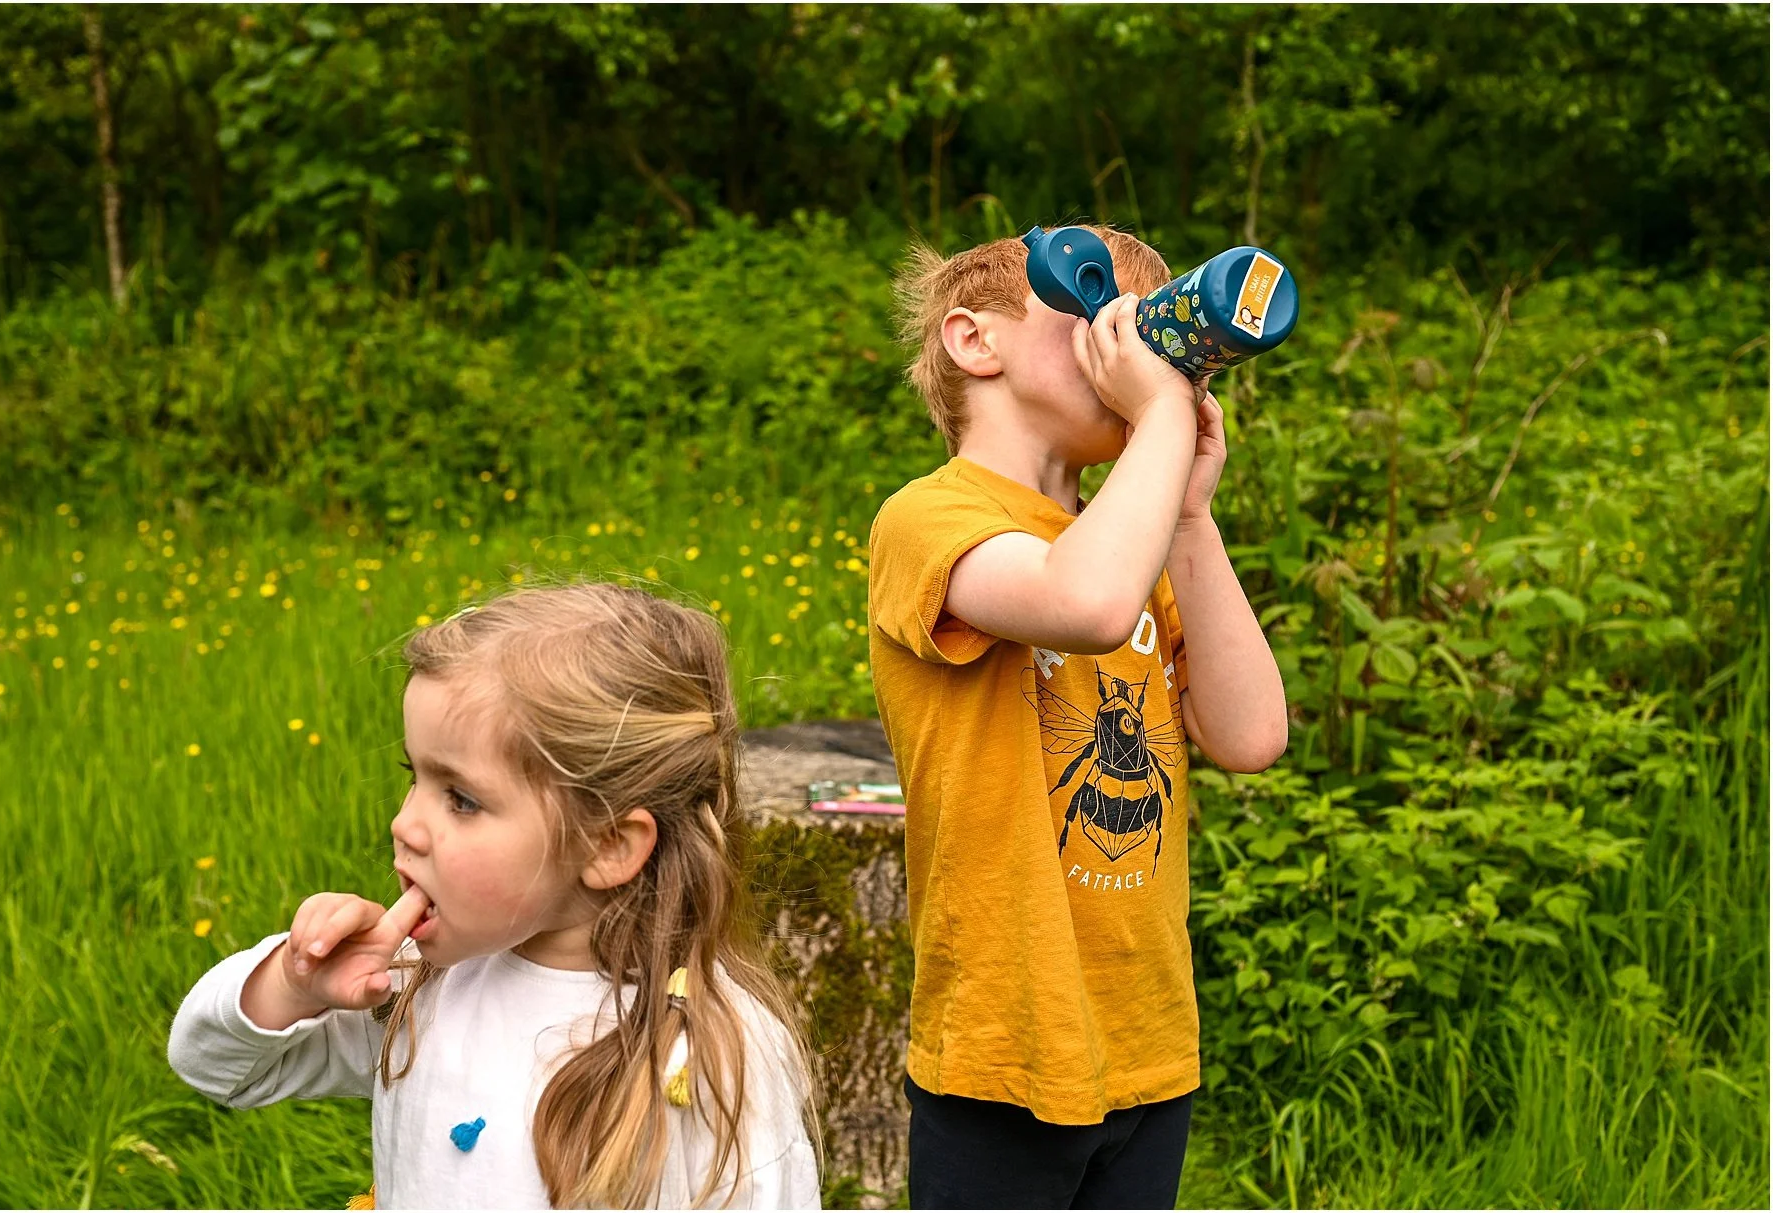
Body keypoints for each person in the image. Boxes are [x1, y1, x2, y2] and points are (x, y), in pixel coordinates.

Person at [868, 228, 1288, 1208]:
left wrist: (1186, 513)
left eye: (1148, 334)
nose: (1129, 351)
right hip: (1004, 1042)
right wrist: (1155, 429)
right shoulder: (930, 518)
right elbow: (1085, 606)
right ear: (977, 343)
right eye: (1097, 320)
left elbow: (1249, 734)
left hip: (1144, 1034)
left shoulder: (1131, 539)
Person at [169, 584, 821, 1209]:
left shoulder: (708, 1055)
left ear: (607, 846)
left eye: (462, 798)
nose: (404, 823)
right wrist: (295, 983)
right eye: (413, 777)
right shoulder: (420, 987)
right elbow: (219, 1067)